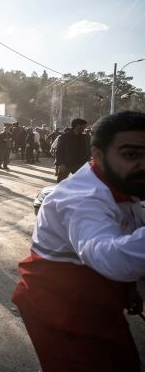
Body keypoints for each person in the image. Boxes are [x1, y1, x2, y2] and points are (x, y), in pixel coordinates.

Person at [11, 111, 145, 372]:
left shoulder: (120, 182)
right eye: (130, 155)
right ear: (98, 155)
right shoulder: (83, 199)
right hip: (61, 310)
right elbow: (108, 255)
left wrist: (131, 287)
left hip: (97, 298)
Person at [54, 118, 91, 182]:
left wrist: (87, 160)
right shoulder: (65, 137)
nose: (84, 128)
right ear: (78, 126)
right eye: (84, 126)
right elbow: (59, 151)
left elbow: (86, 150)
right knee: (61, 183)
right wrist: (61, 164)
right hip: (66, 164)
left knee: (81, 183)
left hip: (79, 164)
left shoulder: (84, 137)